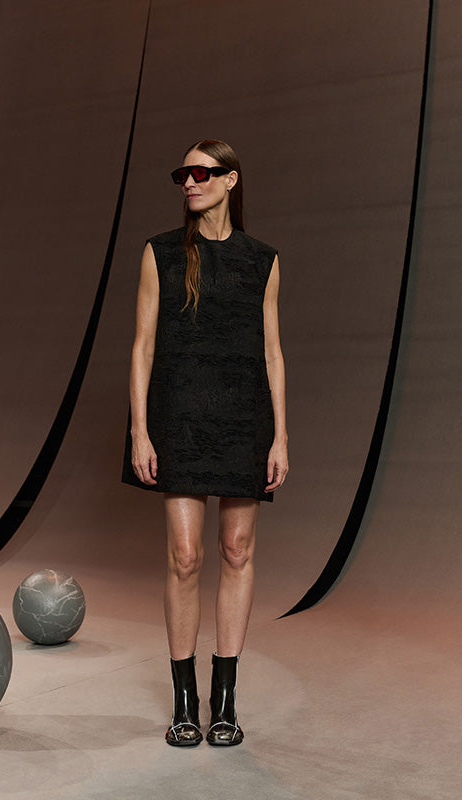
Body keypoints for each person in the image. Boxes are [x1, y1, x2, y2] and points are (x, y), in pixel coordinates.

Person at [122, 139, 288, 747]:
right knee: (186, 556)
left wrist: (281, 436)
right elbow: (142, 347)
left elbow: (273, 352)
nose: (190, 183)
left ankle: (225, 703)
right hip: (181, 416)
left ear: (230, 179)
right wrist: (139, 430)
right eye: (183, 175)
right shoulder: (161, 252)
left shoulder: (262, 260)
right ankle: (184, 702)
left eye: (201, 173)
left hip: (244, 418)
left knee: (237, 550)